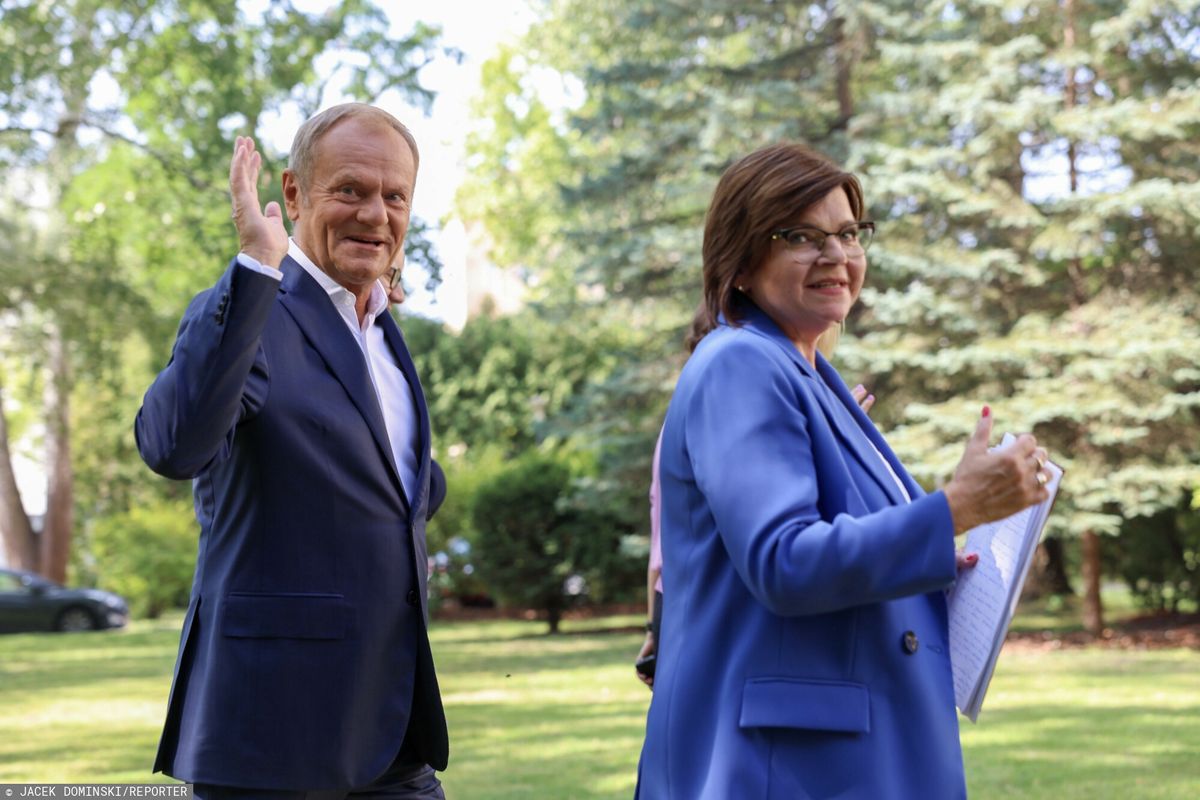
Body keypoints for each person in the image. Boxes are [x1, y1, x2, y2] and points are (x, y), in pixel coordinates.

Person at [633, 143, 1052, 799]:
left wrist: (939, 557)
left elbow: (841, 552)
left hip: (847, 755)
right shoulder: (741, 363)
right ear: (741, 261)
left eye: (849, 234)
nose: (837, 256)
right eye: (801, 236)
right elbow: (784, 560)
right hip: (784, 768)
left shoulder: (808, 374)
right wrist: (955, 510)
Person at [136, 103, 449, 798]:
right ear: (294, 193)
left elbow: (396, 485)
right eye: (350, 190)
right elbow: (172, 445)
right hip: (272, 736)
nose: (376, 214)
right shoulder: (254, 309)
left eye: (394, 196)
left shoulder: (384, 333)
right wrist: (254, 267)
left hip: (391, 734)